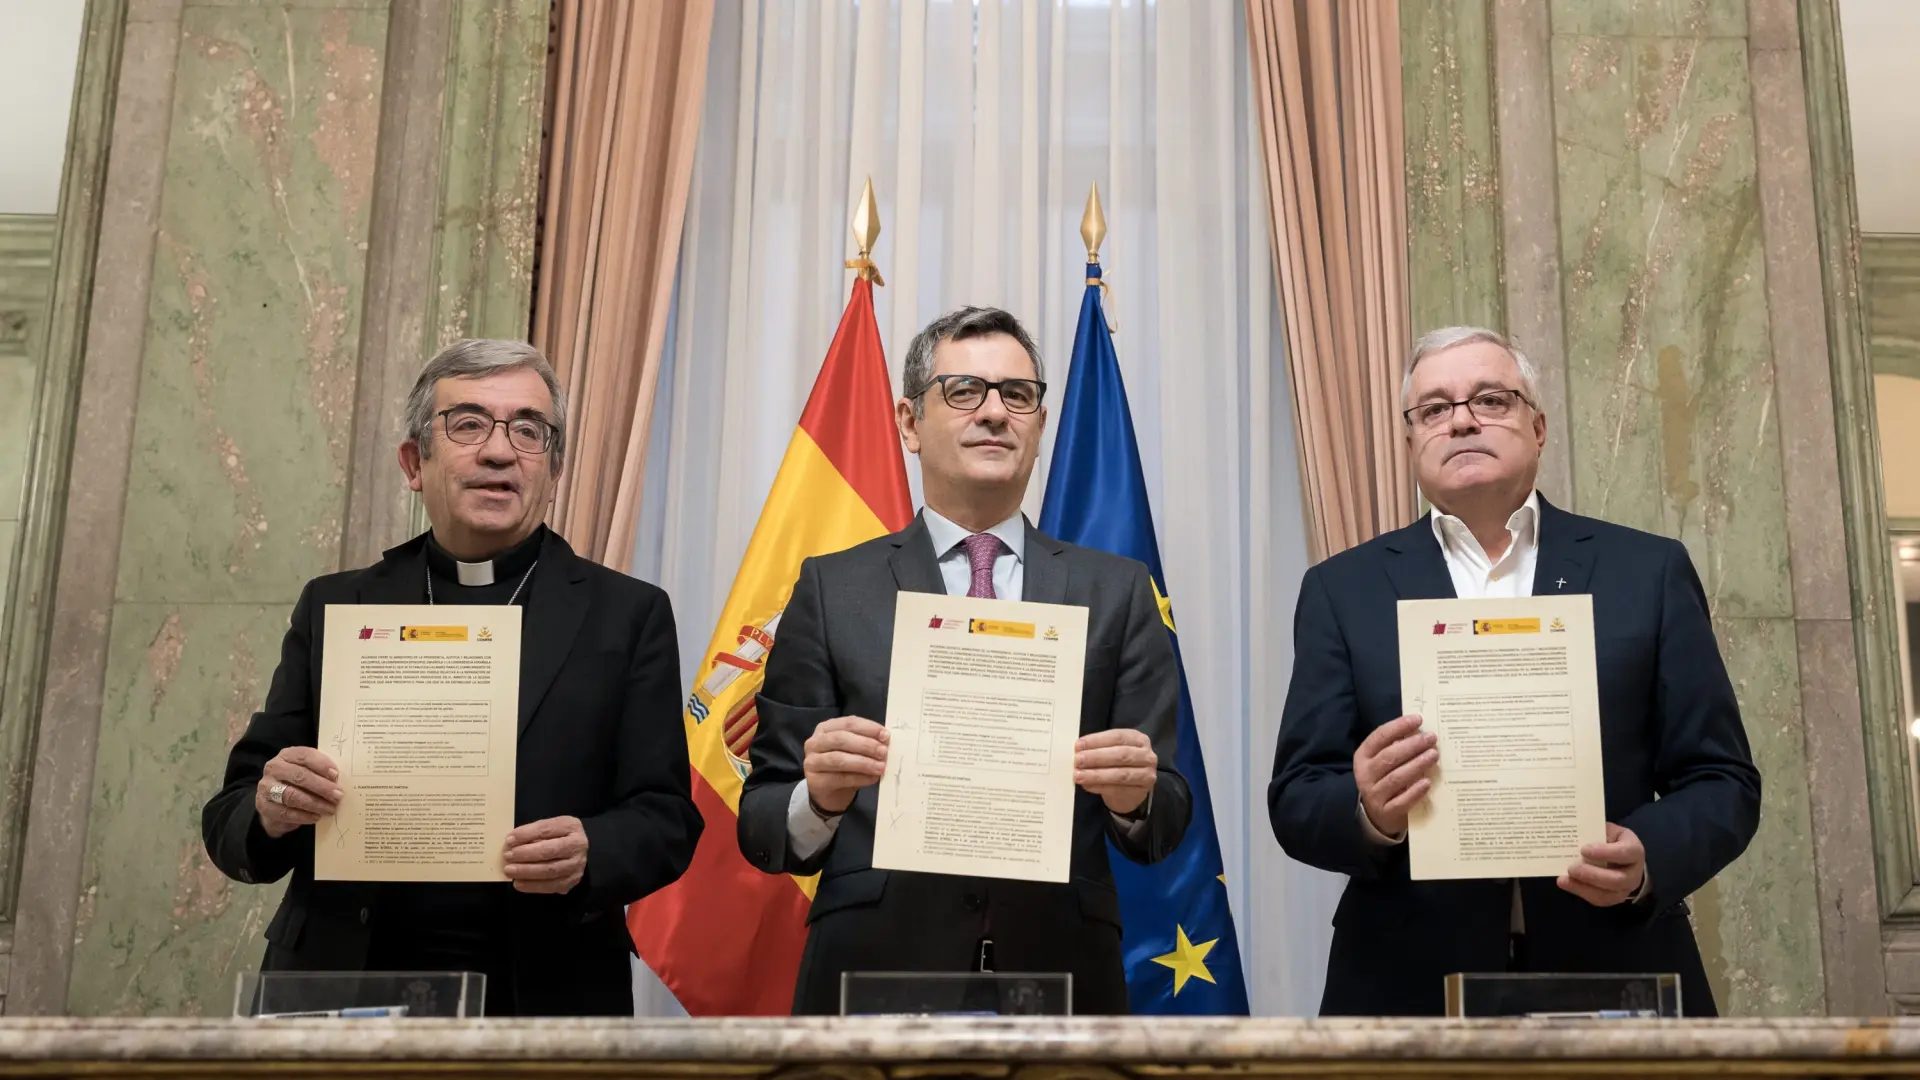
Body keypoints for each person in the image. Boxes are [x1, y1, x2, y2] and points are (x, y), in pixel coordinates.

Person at [1269, 325, 1761, 1016]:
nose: (1461, 420)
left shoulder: (1647, 571)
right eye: (1433, 409)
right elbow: (1297, 796)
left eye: (1490, 399)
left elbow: (1722, 779)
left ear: (1538, 427)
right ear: (1411, 443)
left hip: (1617, 967)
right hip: (1404, 979)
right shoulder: (1342, 589)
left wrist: (1647, 856)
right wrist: (1368, 811)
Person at [202, 339, 701, 1016]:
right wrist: (272, 806)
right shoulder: (338, 605)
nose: (499, 452)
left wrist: (593, 849)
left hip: (543, 992)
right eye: (468, 425)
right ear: (415, 463)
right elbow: (230, 816)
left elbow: (666, 819)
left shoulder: (626, 615)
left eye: (528, 430)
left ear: (554, 469)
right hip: (343, 984)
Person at [738, 306, 1190, 1014]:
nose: (995, 412)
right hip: (874, 969)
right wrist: (818, 796)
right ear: (910, 423)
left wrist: (1135, 798)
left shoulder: (1119, 590)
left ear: (1040, 425)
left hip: (1062, 973)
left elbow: (1166, 818)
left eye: (1018, 395)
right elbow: (763, 822)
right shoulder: (831, 589)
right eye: (964, 391)